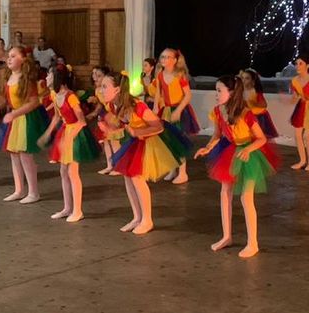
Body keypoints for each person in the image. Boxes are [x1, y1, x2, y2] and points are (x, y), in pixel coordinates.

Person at [195, 75, 279, 258]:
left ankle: (253, 243)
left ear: (232, 93)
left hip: (249, 155)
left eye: (219, 91)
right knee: (225, 192)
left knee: (246, 197)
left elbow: (261, 139)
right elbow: (217, 134)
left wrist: (248, 149)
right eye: (216, 91)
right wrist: (208, 148)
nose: (216, 94)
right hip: (230, 152)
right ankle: (226, 236)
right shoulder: (218, 111)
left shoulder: (246, 113)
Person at [103, 71, 190, 235]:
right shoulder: (113, 105)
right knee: (128, 177)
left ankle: (147, 220)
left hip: (151, 139)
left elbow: (158, 126)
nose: (101, 90)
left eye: (104, 86)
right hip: (135, 140)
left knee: (137, 178)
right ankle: (137, 217)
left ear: (117, 90)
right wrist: (111, 129)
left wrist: (136, 132)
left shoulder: (137, 106)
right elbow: (123, 126)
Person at [0, 46, 49, 203]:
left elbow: (34, 102)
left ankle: (33, 192)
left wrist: (14, 114)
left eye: (13, 56)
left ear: (23, 59)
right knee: (14, 154)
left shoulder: (26, 79)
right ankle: (19, 190)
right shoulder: (8, 78)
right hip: (16, 119)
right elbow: (1, 101)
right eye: (8, 56)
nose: (9, 58)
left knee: (25, 155)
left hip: (26, 118)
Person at [39, 65, 100, 222]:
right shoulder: (54, 95)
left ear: (57, 78)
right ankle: (67, 208)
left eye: (49, 75)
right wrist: (47, 133)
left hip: (75, 133)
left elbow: (82, 121)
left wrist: (70, 138)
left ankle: (77, 210)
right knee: (63, 171)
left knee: (73, 172)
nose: (46, 78)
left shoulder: (71, 97)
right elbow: (57, 117)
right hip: (65, 131)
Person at [154, 48, 200, 184]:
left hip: (179, 110)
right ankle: (172, 169)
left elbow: (188, 95)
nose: (164, 59)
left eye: (167, 57)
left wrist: (178, 110)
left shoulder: (180, 75)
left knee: (179, 140)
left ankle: (183, 172)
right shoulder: (160, 74)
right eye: (162, 57)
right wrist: (156, 107)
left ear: (174, 60)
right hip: (166, 110)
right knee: (168, 140)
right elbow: (158, 93)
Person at [240, 69, 278, 140]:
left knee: (258, 137)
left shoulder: (255, 92)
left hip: (258, 117)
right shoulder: (241, 92)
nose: (243, 80)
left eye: (247, 78)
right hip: (247, 116)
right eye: (242, 78)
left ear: (253, 81)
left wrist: (254, 103)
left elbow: (264, 104)